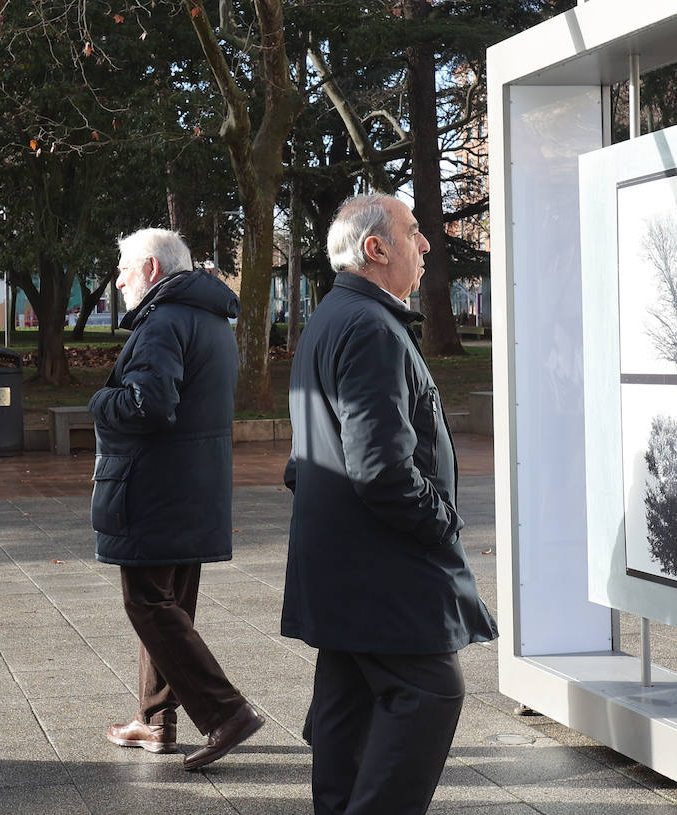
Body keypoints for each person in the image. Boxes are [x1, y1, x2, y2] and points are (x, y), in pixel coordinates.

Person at [281, 194, 499, 815]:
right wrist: (441, 524)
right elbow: (380, 469)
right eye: (412, 232)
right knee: (430, 691)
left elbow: (307, 459)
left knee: (346, 709)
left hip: (347, 565)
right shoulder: (371, 328)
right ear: (376, 249)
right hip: (385, 569)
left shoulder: (335, 317)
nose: (427, 244)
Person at [90, 227, 264, 771]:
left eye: (123, 268)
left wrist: (100, 400)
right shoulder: (210, 320)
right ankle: (156, 721)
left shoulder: (162, 323)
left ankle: (225, 712)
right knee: (171, 607)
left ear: (152, 270)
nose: (117, 280)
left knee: (147, 603)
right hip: (194, 487)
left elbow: (148, 405)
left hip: (154, 489)